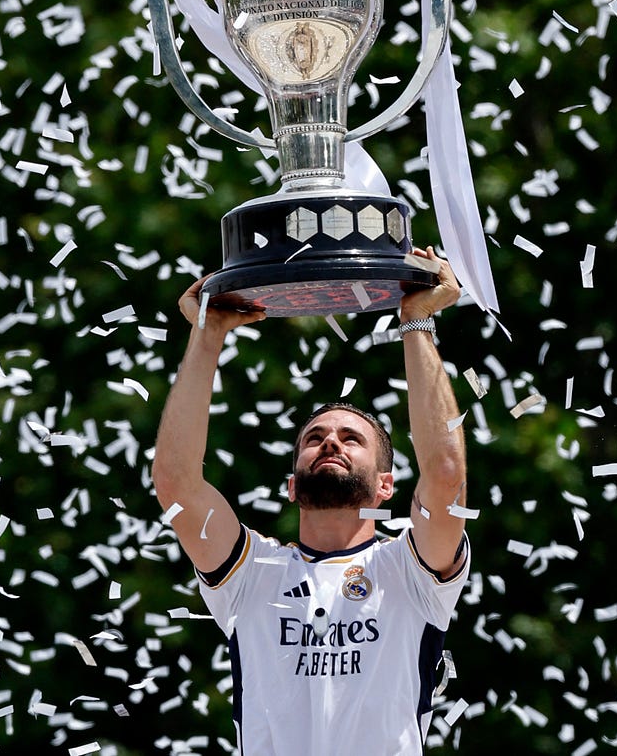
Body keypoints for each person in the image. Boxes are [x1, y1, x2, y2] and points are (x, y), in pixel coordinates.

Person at [152, 247, 471, 756]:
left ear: (386, 486)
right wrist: (207, 335)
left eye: (351, 439)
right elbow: (175, 483)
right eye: (314, 438)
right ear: (292, 486)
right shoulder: (253, 574)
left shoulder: (409, 572)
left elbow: (447, 476)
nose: (330, 443)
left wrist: (416, 322)